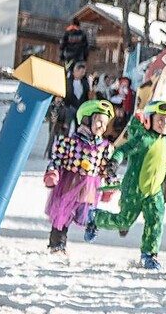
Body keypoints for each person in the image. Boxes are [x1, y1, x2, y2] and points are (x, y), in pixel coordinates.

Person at [95, 97, 166, 270]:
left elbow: (161, 163)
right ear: (149, 120)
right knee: (124, 222)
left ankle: (149, 255)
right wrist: (114, 162)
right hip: (134, 189)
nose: (164, 124)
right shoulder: (143, 139)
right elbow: (123, 149)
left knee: (155, 219)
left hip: (154, 191)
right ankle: (94, 217)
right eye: (160, 120)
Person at [43, 99, 116, 254]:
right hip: (70, 183)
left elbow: (105, 167)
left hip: (90, 185)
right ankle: (57, 243)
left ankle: (92, 225)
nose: (102, 127)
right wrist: (52, 172)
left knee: (87, 213)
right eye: (98, 122)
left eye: (105, 124)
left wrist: (110, 183)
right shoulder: (70, 142)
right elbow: (57, 159)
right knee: (64, 214)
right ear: (86, 119)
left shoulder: (104, 147)